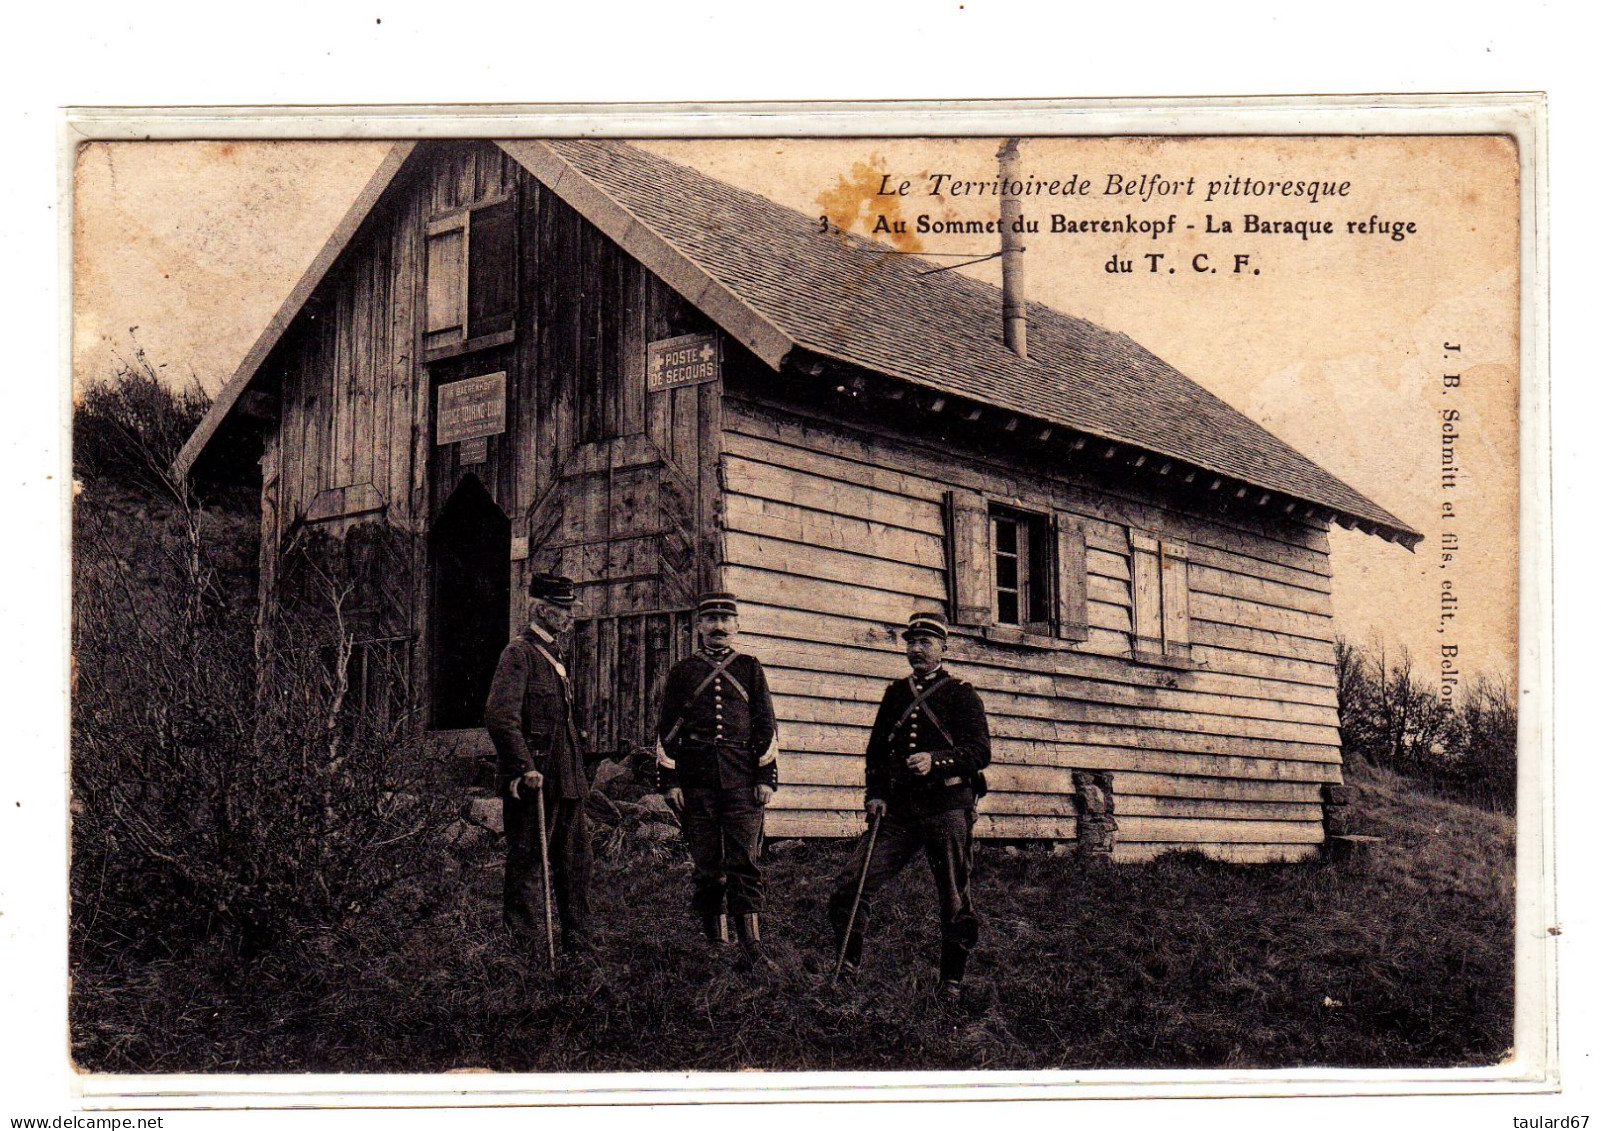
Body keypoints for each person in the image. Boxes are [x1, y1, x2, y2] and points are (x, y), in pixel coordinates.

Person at [826, 610, 990, 1003]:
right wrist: (876, 793)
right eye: (911, 643)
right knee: (851, 884)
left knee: (953, 895)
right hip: (898, 812)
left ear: (943, 648)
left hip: (947, 808)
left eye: (926, 643)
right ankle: (846, 967)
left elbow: (980, 752)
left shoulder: (962, 694)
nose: (917, 650)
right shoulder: (895, 694)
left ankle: (951, 979)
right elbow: (877, 752)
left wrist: (937, 760)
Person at [656, 592, 780, 965]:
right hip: (698, 784)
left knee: (744, 862)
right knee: (708, 865)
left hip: (743, 782)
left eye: (727, 619)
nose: (719, 627)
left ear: (737, 626)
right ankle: (716, 945)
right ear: (699, 627)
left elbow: (766, 726)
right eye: (711, 619)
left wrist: (765, 777)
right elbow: (666, 731)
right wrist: (670, 781)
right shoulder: (683, 672)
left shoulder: (750, 669)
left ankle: (752, 946)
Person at [485, 572, 594, 963]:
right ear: (541, 609)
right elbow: (501, 718)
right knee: (529, 866)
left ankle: (579, 948)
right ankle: (526, 956)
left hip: (568, 780)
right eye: (563, 609)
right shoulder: (518, 654)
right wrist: (522, 767)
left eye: (569, 609)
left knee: (576, 865)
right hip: (535, 779)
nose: (569, 616)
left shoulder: (556, 654)